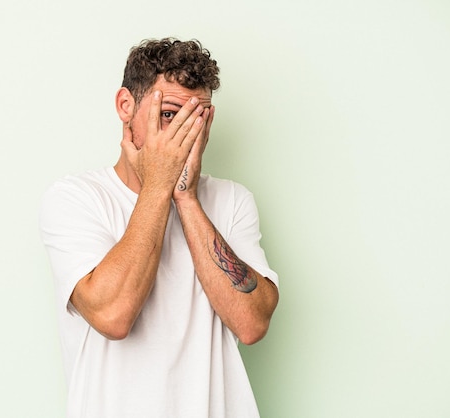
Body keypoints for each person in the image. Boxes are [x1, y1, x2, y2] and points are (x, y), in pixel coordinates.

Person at [40, 37, 279, 418]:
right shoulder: (75, 198)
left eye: (195, 119)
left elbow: (251, 323)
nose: (182, 136)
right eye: (168, 115)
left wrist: (185, 198)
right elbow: (113, 316)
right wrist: (158, 185)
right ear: (125, 106)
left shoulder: (232, 201)